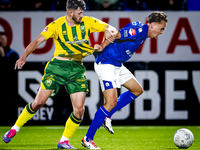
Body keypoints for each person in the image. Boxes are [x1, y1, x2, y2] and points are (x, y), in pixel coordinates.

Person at [2, 0, 118, 149]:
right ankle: (14, 129)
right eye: (79, 12)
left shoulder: (88, 22)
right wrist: (24, 56)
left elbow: (110, 28)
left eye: (83, 12)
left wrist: (104, 39)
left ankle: (64, 141)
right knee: (38, 103)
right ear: (70, 12)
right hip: (57, 67)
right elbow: (37, 41)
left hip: (76, 68)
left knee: (80, 110)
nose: (82, 15)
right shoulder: (56, 25)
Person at [81, 11, 168, 149]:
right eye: (161, 28)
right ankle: (87, 138)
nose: (162, 32)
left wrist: (105, 41)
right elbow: (115, 34)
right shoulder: (140, 30)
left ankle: (107, 116)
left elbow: (117, 34)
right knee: (111, 102)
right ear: (152, 25)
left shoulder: (142, 32)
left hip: (117, 64)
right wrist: (102, 45)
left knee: (137, 90)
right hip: (106, 63)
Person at [0, 31, 19, 124]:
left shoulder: (13, 54)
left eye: (2, 39)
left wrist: (3, 56)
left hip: (9, 87)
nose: (1, 41)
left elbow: (11, 70)